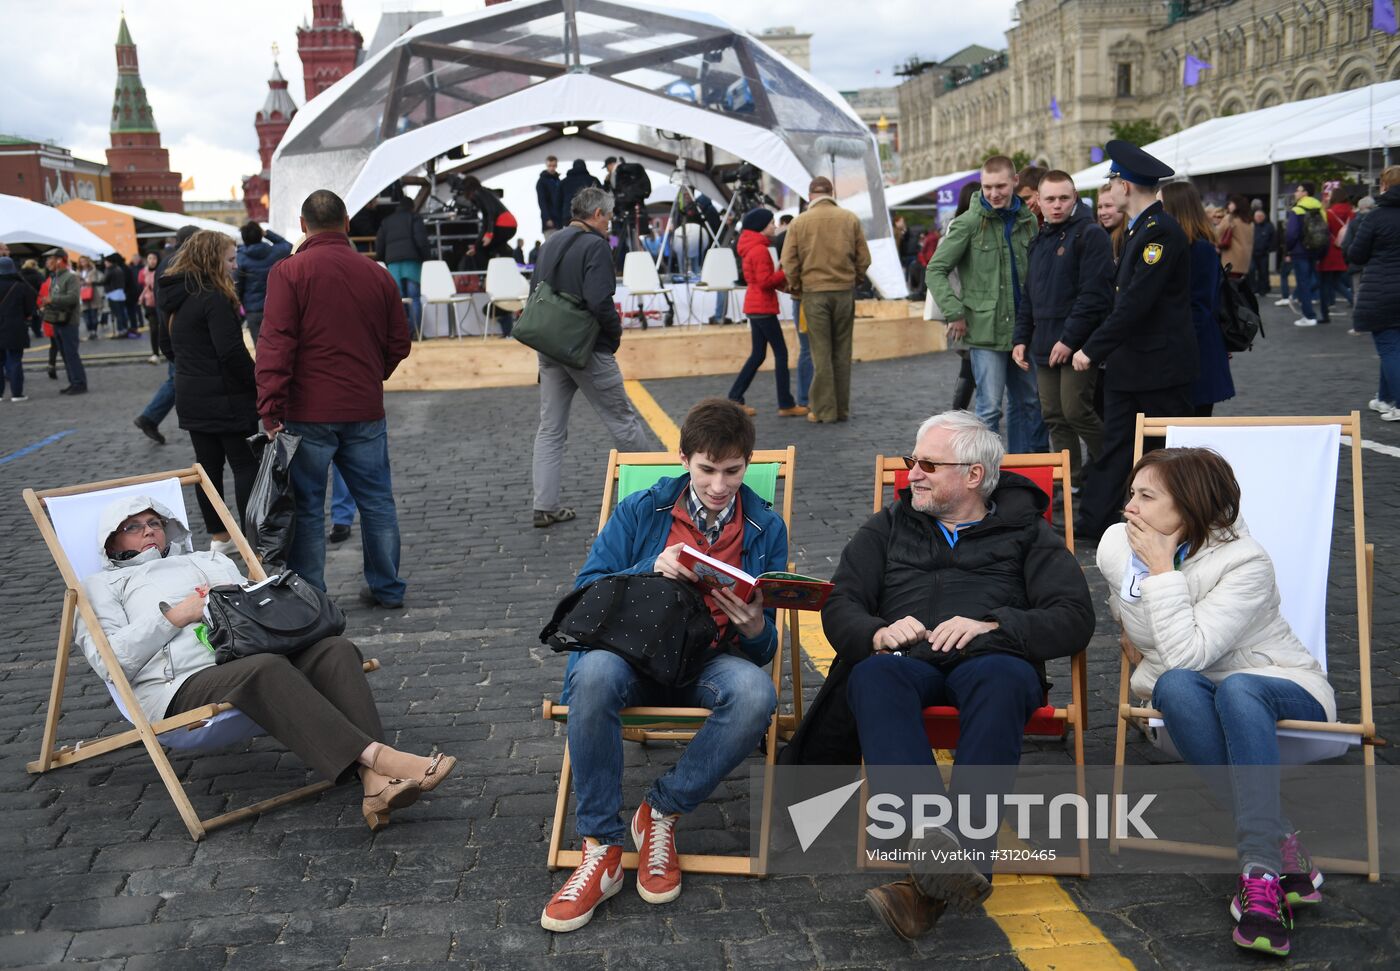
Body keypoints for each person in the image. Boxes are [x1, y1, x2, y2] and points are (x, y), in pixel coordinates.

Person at [780, 411, 1093, 940]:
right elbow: (843, 602)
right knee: (873, 678)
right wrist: (876, 633)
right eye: (910, 462)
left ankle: (935, 880)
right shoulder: (888, 526)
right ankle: (937, 843)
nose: (913, 474)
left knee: (1000, 684)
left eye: (927, 463)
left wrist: (993, 625)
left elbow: (1074, 616)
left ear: (973, 476)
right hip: (909, 660)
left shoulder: (1027, 533)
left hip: (993, 657)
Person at [541, 399, 785, 933]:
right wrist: (649, 566)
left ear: (748, 463)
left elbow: (765, 651)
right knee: (594, 674)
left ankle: (660, 811)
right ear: (684, 459)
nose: (719, 485)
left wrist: (753, 629)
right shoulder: (642, 508)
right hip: (634, 653)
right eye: (706, 469)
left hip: (711, 659)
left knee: (756, 696)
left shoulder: (766, 527)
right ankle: (601, 847)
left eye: (733, 471)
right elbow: (586, 589)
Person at [78, 497, 457, 831]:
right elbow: (109, 662)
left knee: (334, 650)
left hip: (252, 656)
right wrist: (176, 615)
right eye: (133, 527)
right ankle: (383, 758)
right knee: (266, 668)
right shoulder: (101, 587)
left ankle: (375, 784)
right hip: (179, 685)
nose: (148, 532)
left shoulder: (208, 559)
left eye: (154, 523)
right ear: (112, 540)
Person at [1097, 447, 1335, 958]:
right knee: (1175, 688)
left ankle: (1260, 870)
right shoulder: (1117, 546)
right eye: (1131, 494)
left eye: (1146, 496)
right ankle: (1281, 839)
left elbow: (1186, 651)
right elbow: (1171, 662)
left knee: (1236, 686)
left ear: (1188, 505)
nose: (1129, 508)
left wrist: (1162, 571)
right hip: (1197, 691)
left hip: (1282, 685)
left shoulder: (1246, 561)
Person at [257, 189, 413, 609]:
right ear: (346, 223)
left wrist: (270, 407)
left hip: (307, 411)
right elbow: (400, 340)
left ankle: (312, 598)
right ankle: (387, 586)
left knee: (307, 507)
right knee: (377, 501)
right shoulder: (377, 274)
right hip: (363, 406)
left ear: (303, 226)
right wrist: (371, 373)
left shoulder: (288, 272)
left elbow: (276, 344)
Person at [1071, 141, 1197, 543]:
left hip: (1158, 367)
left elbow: (1137, 303)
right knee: (1118, 444)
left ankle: (1185, 519)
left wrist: (1092, 348)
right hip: (1134, 364)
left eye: (1112, 181)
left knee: (1171, 452)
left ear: (1124, 186)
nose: (1108, 190)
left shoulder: (1159, 233)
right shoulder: (1141, 229)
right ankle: (1093, 522)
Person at [529, 186, 652, 528]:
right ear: (597, 214)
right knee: (623, 421)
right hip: (586, 347)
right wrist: (613, 336)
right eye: (609, 217)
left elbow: (535, 292)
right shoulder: (596, 246)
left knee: (550, 428)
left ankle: (545, 505)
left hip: (550, 345)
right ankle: (657, 497)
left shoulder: (550, 242)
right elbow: (600, 301)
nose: (610, 224)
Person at [927, 156, 1046, 451]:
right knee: (989, 408)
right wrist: (954, 311)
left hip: (1023, 329)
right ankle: (987, 475)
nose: (994, 193)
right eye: (988, 186)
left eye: (1001, 186)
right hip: (984, 330)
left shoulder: (1028, 220)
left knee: (1028, 403)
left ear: (1015, 182)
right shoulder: (968, 222)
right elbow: (935, 269)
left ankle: (1020, 472)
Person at [157, 230, 259, 555]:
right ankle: (252, 538)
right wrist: (257, 384)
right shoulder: (213, 297)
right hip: (226, 397)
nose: (235, 265)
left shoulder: (176, 295)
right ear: (213, 259)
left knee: (207, 468)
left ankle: (219, 537)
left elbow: (166, 346)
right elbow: (231, 352)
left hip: (191, 394)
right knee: (244, 464)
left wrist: (194, 367)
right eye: (230, 259)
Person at [1011, 170, 1113, 482]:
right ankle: (1074, 480)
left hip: (1078, 342)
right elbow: (1030, 295)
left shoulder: (1091, 234)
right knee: (1054, 416)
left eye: (1064, 198)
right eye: (1050, 199)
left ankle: (1116, 470)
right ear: (1038, 202)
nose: (1057, 205)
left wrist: (1070, 339)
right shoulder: (1038, 240)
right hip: (1043, 343)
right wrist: (1020, 338)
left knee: (1076, 411)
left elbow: (1094, 296)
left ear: (1074, 198)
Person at [781, 176, 871, 424]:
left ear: (810, 195)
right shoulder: (849, 218)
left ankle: (824, 410)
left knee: (820, 353)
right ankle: (842, 409)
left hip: (814, 294)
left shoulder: (799, 223)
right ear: (832, 193)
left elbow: (788, 262)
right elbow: (864, 258)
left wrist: (798, 285)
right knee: (842, 352)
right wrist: (855, 279)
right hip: (844, 292)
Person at [1160, 182, 1233, 418]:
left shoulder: (1200, 249)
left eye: (1160, 205)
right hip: (1183, 352)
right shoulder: (1173, 244)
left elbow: (1199, 307)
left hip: (1195, 355)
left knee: (1191, 430)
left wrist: (1173, 347)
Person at [726, 209, 805, 417]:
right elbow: (765, 281)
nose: (774, 226)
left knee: (758, 355)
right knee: (781, 353)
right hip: (762, 307)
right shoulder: (760, 250)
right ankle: (786, 403)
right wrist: (785, 272)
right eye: (771, 223)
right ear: (761, 226)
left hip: (755, 306)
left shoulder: (751, 246)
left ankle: (735, 397)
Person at [1344, 166, 1400, 420]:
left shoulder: (1376, 217)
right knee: (1392, 347)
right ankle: (1384, 398)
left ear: (1385, 186)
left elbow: (1356, 254)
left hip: (1382, 289)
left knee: (1388, 346)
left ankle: (1397, 402)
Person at [133, 225, 198, 447]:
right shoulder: (182, 262)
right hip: (179, 329)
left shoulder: (168, 261)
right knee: (177, 378)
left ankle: (151, 417)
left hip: (170, 327)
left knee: (178, 377)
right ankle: (149, 417)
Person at [374, 198, 430, 338]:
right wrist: (426, 257)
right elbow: (421, 240)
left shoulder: (386, 221)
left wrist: (382, 258)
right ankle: (416, 333)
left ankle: (402, 334)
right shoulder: (414, 218)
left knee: (399, 300)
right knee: (414, 298)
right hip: (412, 261)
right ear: (411, 207)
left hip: (393, 263)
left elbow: (379, 244)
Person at [235, 221, 293, 345]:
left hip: (253, 311)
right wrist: (267, 233)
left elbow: (237, 287)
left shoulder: (240, 258)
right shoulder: (275, 252)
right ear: (260, 235)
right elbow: (288, 245)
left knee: (261, 349)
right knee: (281, 346)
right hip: (277, 307)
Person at [40, 249, 87, 395]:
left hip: (68, 321)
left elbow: (73, 298)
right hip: (57, 321)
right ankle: (73, 382)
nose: (47, 262)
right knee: (65, 355)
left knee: (71, 354)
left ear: (59, 260)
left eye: (50, 259)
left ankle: (79, 383)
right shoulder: (54, 277)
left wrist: (52, 299)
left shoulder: (70, 277)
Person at [1284, 182, 1327, 327]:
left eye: (1298, 190)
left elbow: (1291, 233)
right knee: (1312, 280)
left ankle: (1309, 315)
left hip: (1299, 251)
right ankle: (1315, 312)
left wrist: (1289, 249)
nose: (1296, 193)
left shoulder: (1297, 210)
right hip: (1315, 249)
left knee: (1303, 283)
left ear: (1305, 193)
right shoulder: (1320, 207)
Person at [0, 256, 37, 401]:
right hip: (15, 327)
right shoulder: (20, 286)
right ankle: (17, 393)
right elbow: (30, 308)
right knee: (15, 360)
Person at [1317, 183, 1355, 323]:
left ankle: (1324, 314)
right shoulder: (1352, 212)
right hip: (1345, 251)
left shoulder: (1329, 212)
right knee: (1336, 281)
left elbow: (1323, 233)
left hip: (1329, 252)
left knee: (1325, 284)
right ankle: (1353, 300)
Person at [1217, 195, 1254, 282]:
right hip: (1244, 261)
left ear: (1236, 205)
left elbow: (1217, 234)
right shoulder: (1249, 222)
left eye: (1231, 203)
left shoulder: (1230, 219)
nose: (1228, 205)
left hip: (1231, 259)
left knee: (1227, 287)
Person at [102, 254, 137, 338]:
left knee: (120, 313)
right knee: (124, 313)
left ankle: (123, 330)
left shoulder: (114, 269)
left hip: (119, 294)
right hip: (124, 293)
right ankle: (128, 328)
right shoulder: (121, 268)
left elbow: (106, 281)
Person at [558, 159, 601, 226]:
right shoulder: (593, 180)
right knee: (588, 235)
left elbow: (558, 202)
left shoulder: (564, 182)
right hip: (589, 215)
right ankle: (614, 237)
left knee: (570, 235)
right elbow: (601, 198)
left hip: (568, 216)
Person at [536, 155, 566, 237]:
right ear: (546, 165)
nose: (552, 168)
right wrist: (547, 218)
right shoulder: (541, 182)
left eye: (554, 166)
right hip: (550, 221)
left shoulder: (558, 181)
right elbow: (542, 201)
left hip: (559, 220)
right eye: (550, 166)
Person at [138, 251, 160, 361]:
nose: (152, 261)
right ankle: (155, 353)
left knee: (163, 329)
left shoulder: (161, 270)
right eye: (150, 258)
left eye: (154, 258)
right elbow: (142, 285)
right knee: (153, 329)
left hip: (161, 302)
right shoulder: (143, 272)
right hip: (149, 302)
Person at [1097, 184, 1127, 260]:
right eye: (1099, 207)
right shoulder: (1097, 235)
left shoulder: (1127, 239)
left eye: (1108, 206)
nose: (1102, 212)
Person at [77, 255, 103, 340]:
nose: (82, 263)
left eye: (84, 261)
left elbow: (98, 279)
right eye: (81, 261)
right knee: (86, 316)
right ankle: (90, 331)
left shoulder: (93, 271)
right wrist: (82, 282)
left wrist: (90, 281)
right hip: (82, 296)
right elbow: (76, 282)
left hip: (93, 295)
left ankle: (94, 332)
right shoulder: (78, 272)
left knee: (93, 315)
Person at [1250, 208, 1275, 296]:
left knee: (1263, 272)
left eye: (1261, 216)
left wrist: (1269, 249)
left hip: (1264, 253)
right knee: (1251, 271)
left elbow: (1273, 239)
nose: (1259, 218)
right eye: (1257, 216)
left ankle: (1264, 289)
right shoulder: (1250, 225)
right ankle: (1253, 288)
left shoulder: (1269, 226)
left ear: (1264, 217)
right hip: (1252, 254)